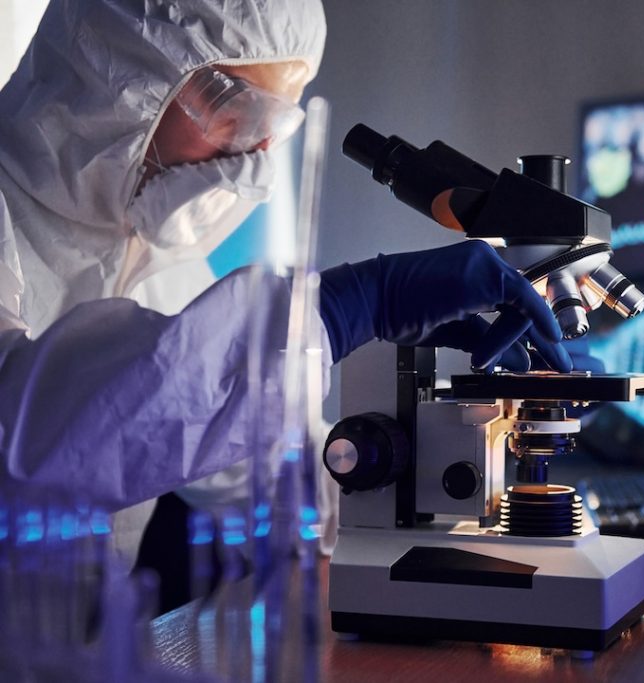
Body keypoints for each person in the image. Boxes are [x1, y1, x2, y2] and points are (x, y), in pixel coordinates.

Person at [0, 0, 569, 565]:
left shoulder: (150, 258)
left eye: (272, 124)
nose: (255, 154)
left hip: (85, 622)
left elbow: (263, 469)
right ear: (117, 69)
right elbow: (26, 444)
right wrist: (344, 308)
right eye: (239, 111)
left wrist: (419, 469)